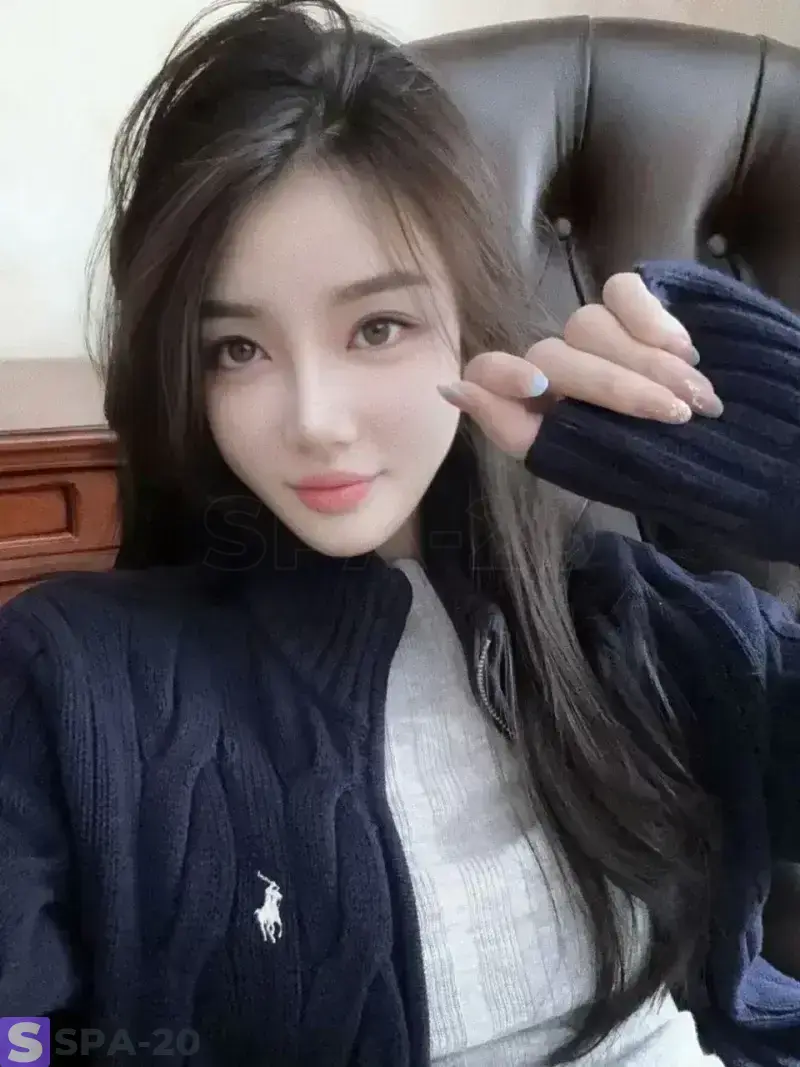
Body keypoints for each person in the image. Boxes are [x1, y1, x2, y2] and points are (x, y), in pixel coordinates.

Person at [0, 1, 798, 1065]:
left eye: (377, 326)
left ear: (469, 322)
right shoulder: (71, 680)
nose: (314, 419)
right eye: (236, 348)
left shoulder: (638, 622)